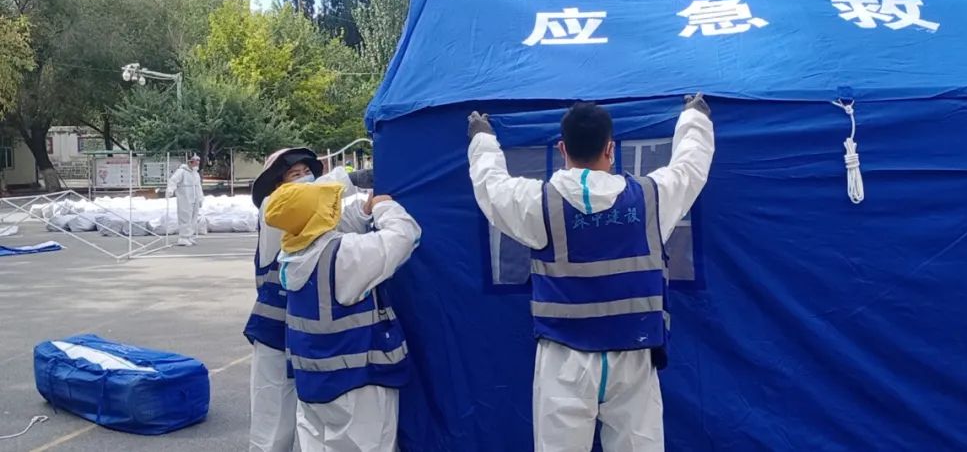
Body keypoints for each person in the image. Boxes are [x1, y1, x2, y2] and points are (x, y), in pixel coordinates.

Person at [466, 95, 715, 451]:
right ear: (610, 148)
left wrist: (482, 137)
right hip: (633, 352)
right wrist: (695, 117)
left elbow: (492, 186)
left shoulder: (541, 203)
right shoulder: (651, 200)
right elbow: (689, 168)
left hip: (564, 360)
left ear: (562, 148)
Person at [264, 174, 421, 452]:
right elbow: (404, 236)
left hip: (313, 386)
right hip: (358, 386)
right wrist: (385, 207)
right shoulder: (343, 256)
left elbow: (328, 234)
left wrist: (364, 211)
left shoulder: (292, 257)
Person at [245, 147, 324, 452]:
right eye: (295, 174)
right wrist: (350, 179)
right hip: (274, 327)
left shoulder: (321, 217)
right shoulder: (272, 208)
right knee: (272, 414)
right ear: (278, 184)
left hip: (311, 329)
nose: (305, 179)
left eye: (307, 172)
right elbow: (298, 199)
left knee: (315, 414)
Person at [166, 154, 205, 247]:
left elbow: (198, 187)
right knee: (185, 218)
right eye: (195, 161)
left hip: (194, 198)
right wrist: (170, 190)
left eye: (198, 161)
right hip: (184, 198)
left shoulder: (195, 174)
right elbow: (173, 181)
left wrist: (200, 198)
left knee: (193, 218)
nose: (197, 163)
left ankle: (189, 236)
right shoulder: (181, 171)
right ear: (190, 162)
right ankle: (183, 238)